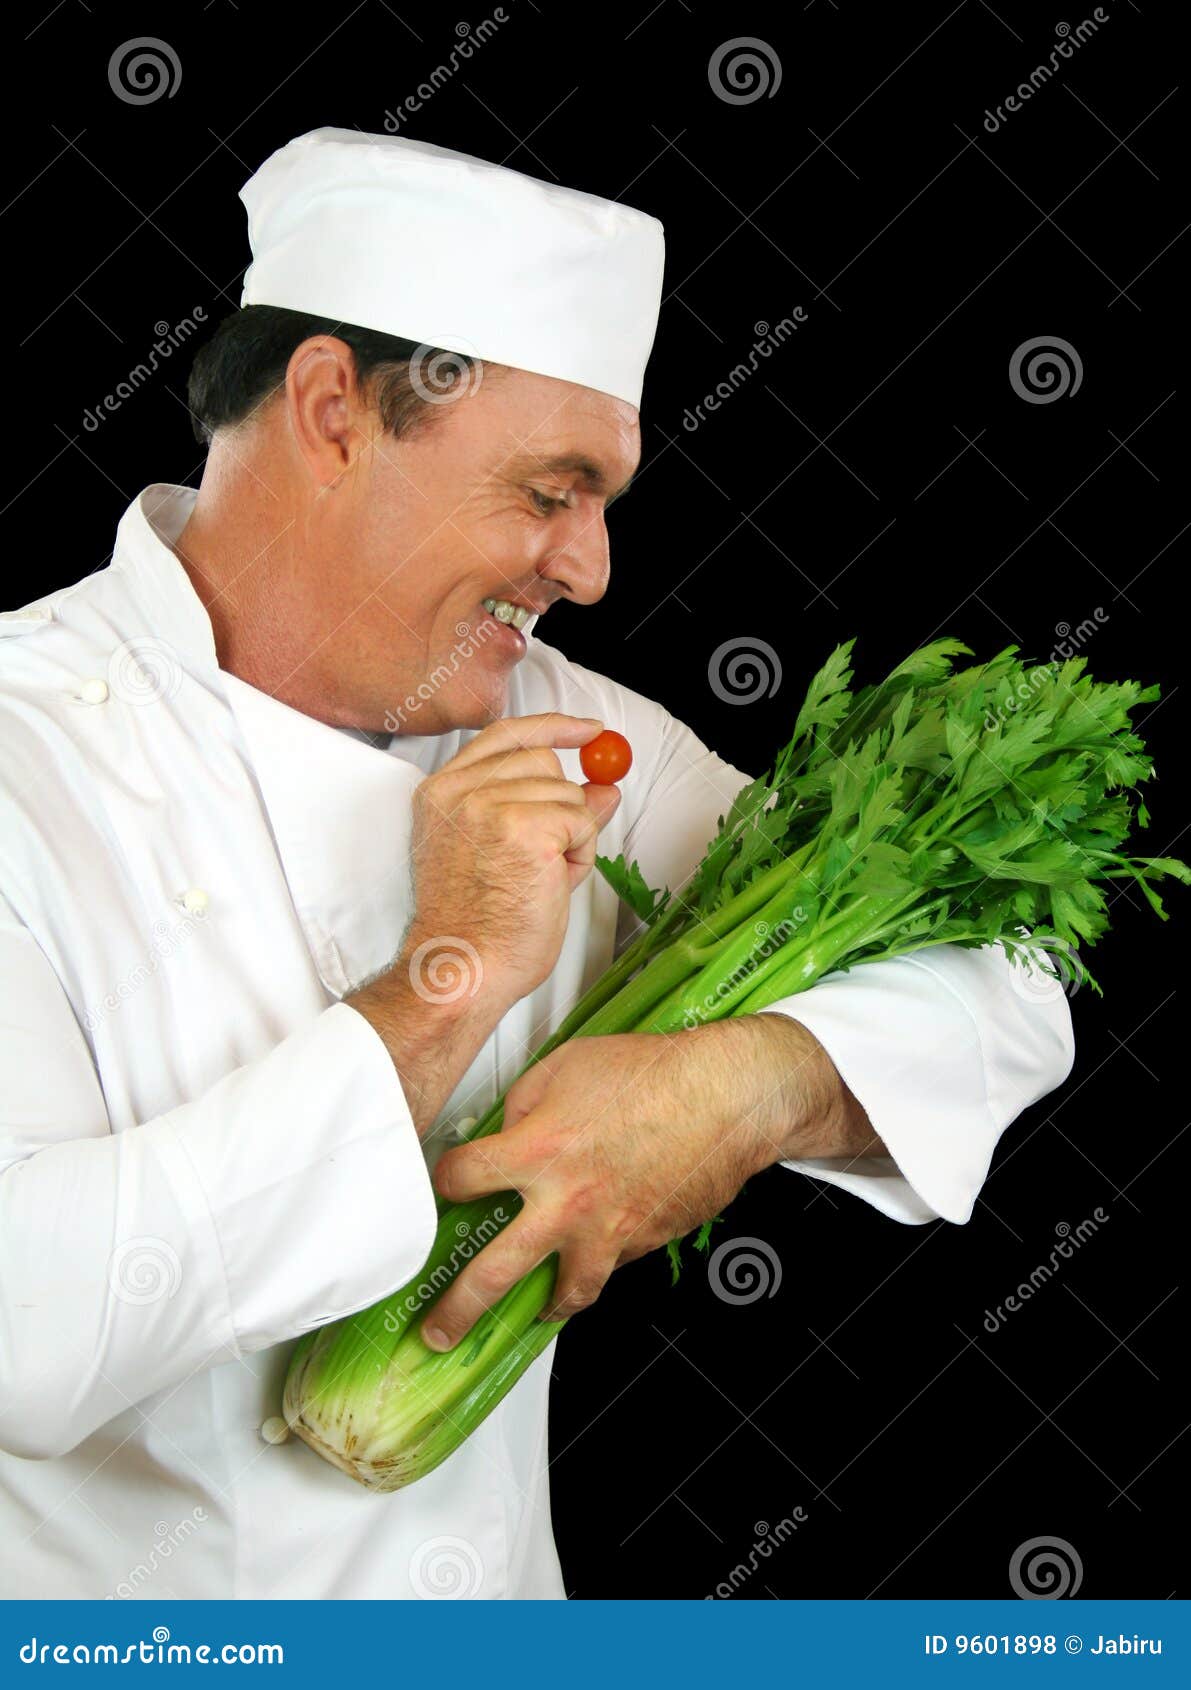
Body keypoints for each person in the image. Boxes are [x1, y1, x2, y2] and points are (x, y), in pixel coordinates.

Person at [0, 128, 1073, 1599]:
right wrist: (446, 984)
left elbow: (999, 954)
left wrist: (738, 1086)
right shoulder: (24, 753)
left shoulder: (575, 737)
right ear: (331, 411)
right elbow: (27, 1324)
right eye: (548, 491)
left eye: (603, 502)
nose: (590, 568)